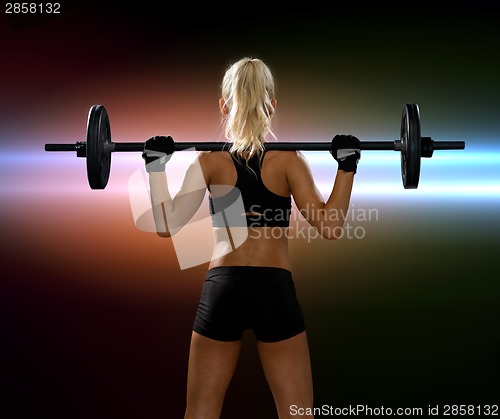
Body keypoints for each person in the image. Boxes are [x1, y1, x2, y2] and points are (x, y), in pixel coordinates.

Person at [142, 57, 360, 419]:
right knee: (297, 413)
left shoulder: (209, 161)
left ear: (224, 105)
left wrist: (155, 167)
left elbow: (167, 224)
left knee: (200, 411)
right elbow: (330, 226)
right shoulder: (288, 161)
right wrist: (347, 167)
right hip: (273, 288)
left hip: (223, 288)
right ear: (272, 105)